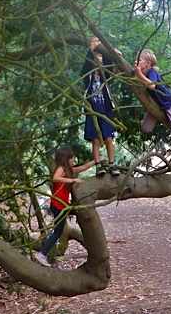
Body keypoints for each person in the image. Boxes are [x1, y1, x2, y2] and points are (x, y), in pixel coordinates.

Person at [35, 147, 96, 267]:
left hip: (63, 206)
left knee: (59, 230)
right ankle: (42, 254)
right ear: (65, 158)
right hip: (57, 206)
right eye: (71, 157)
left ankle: (43, 254)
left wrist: (97, 161)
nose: (73, 160)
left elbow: (83, 167)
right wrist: (72, 180)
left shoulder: (68, 170)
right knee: (57, 232)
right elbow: (55, 178)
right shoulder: (61, 169)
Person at [82, 37, 121, 177]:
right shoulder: (89, 73)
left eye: (101, 56)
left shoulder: (105, 73)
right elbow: (85, 67)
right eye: (97, 56)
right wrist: (91, 50)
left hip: (105, 108)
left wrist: (114, 54)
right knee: (96, 139)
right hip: (92, 109)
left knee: (109, 138)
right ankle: (98, 165)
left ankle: (112, 164)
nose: (100, 59)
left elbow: (111, 67)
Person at [133, 49, 171, 133]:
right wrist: (118, 58)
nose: (135, 62)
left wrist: (139, 74)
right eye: (135, 60)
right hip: (156, 104)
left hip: (168, 102)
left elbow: (152, 85)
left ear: (148, 63)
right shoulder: (139, 73)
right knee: (145, 128)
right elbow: (124, 72)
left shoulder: (151, 72)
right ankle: (163, 115)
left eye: (139, 60)